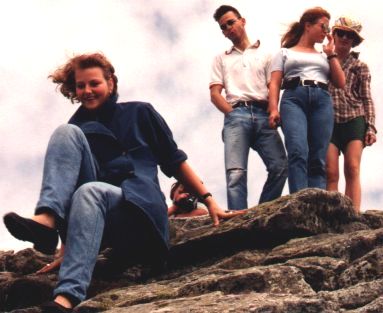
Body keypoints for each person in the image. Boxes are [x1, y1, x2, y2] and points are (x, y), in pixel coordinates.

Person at [3, 53, 242, 312]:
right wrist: (67, 250)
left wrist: (209, 201)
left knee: (90, 191)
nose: (86, 91)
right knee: (66, 134)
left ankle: (66, 299)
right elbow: (69, 187)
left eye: (93, 83)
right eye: (80, 86)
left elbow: (175, 162)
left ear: (111, 83)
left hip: (141, 215)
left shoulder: (140, 112)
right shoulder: (78, 127)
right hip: (102, 220)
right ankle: (47, 221)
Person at [210, 5, 288, 210]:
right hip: (237, 114)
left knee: (280, 167)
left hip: (263, 113)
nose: (228, 28)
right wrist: (232, 113)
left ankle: (262, 214)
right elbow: (215, 94)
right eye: (223, 27)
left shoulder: (265, 53)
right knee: (235, 173)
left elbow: (273, 85)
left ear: (242, 21)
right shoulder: (222, 58)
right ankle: (238, 219)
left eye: (230, 22)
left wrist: (273, 110)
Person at [268, 7, 346, 194]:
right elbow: (274, 83)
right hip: (294, 98)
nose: (326, 31)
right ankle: (299, 199)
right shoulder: (284, 53)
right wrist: (273, 109)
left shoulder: (323, 56)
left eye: (328, 28)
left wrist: (331, 53)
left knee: (318, 157)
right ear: (308, 25)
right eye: (323, 26)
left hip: (322, 100)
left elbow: (340, 82)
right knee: (297, 151)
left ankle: (316, 201)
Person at [325, 17, 377, 212]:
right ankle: (331, 217)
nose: (345, 37)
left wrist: (370, 126)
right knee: (330, 172)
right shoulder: (322, 61)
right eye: (341, 33)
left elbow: (367, 98)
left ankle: (353, 215)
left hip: (354, 119)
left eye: (350, 35)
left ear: (354, 40)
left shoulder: (360, 66)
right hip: (328, 122)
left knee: (352, 168)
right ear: (334, 35)